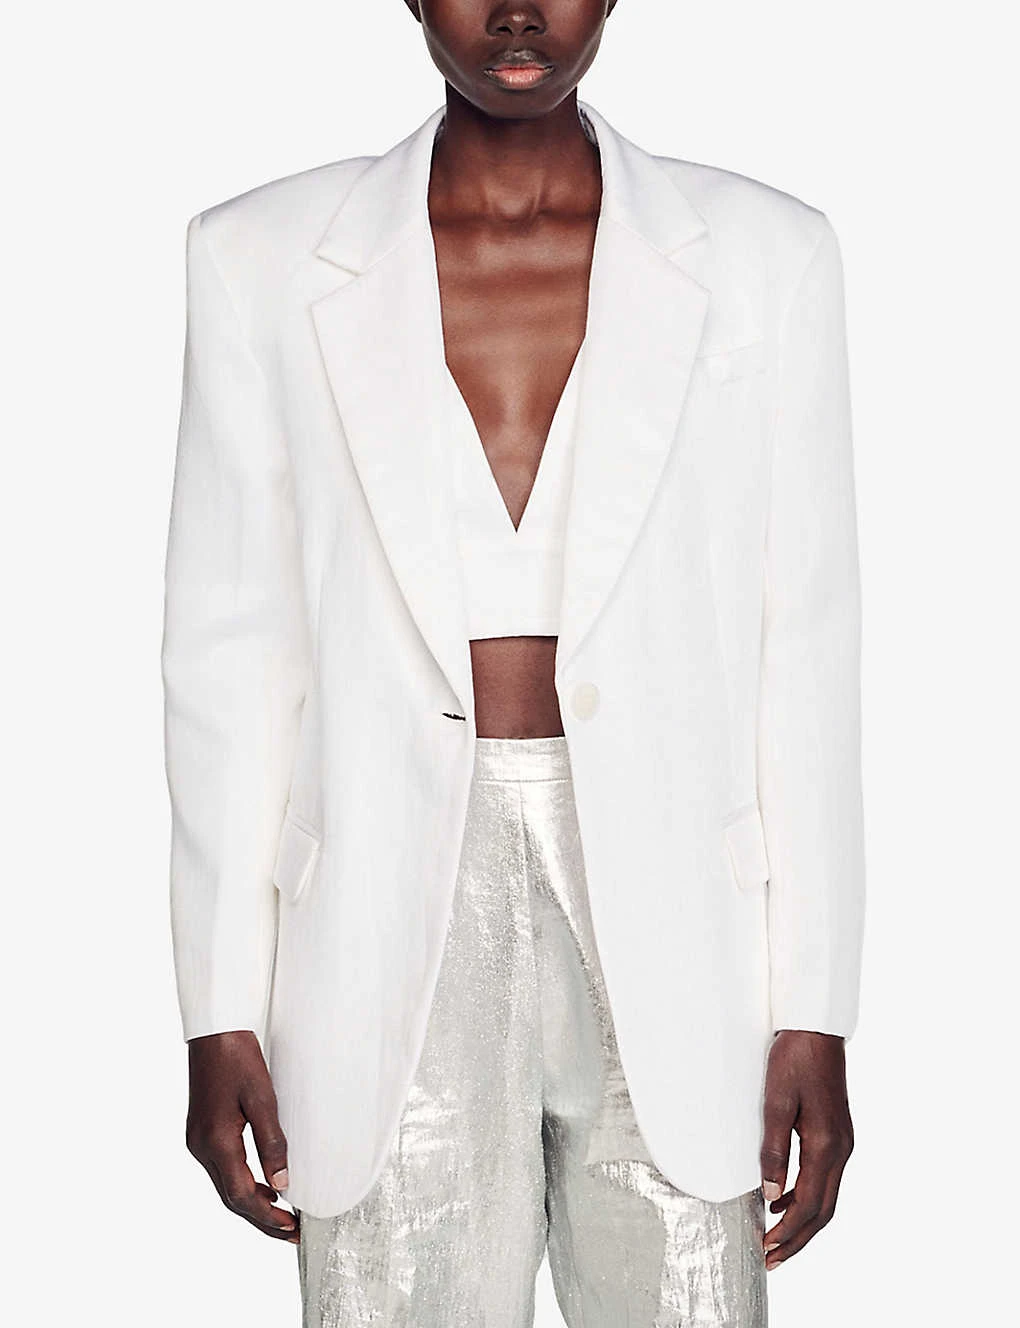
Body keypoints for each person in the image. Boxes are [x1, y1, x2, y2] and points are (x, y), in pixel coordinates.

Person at [161, 2, 865, 1324]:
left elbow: (809, 647)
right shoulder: (257, 257)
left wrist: (815, 1003)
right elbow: (230, 650)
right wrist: (218, 1003)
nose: (521, 11)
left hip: (681, 916)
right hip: (379, 906)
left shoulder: (769, 257)